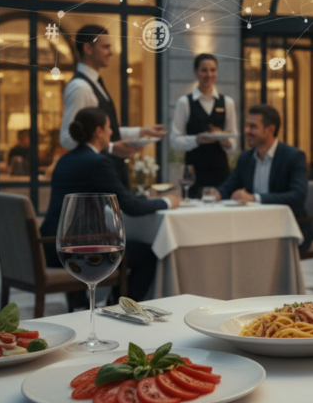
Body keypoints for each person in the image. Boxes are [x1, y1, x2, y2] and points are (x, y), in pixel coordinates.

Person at [41, 107, 180, 304]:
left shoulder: (64, 160)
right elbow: (130, 206)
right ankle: (120, 307)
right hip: (78, 250)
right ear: (98, 131)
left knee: (123, 246)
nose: (111, 132)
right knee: (150, 254)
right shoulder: (98, 162)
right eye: (108, 127)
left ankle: (98, 303)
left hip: (52, 245)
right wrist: (168, 201)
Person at [58, 24, 165, 186]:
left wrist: (142, 131)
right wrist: (111, 148)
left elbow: (101, 132)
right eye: (105, 47)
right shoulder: (80, 87)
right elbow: (67, 138)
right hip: (93, 179)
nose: (111, 52)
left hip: (105, 173)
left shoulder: (95, 82)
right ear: (88, 48)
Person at [214, 104, 311, 250]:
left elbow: (297, 197)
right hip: (252, 228)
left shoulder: (293, 157)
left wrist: (255, 198)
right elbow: (228, 187)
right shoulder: (246, 157)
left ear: (270, 129)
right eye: (246, 126)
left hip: (286, 230)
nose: (247, 131)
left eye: (253, 126)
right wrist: (215, 195)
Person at [169, 53, 237, 198]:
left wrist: (227, 143)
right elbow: (174, 141)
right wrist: (197, 140)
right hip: (194, 172)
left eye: (213, 70)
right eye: (204, 70)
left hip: (221, 170)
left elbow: (234, 139)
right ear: (196, 72)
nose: (209, 74)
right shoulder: (185, 102)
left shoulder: (227, 103)